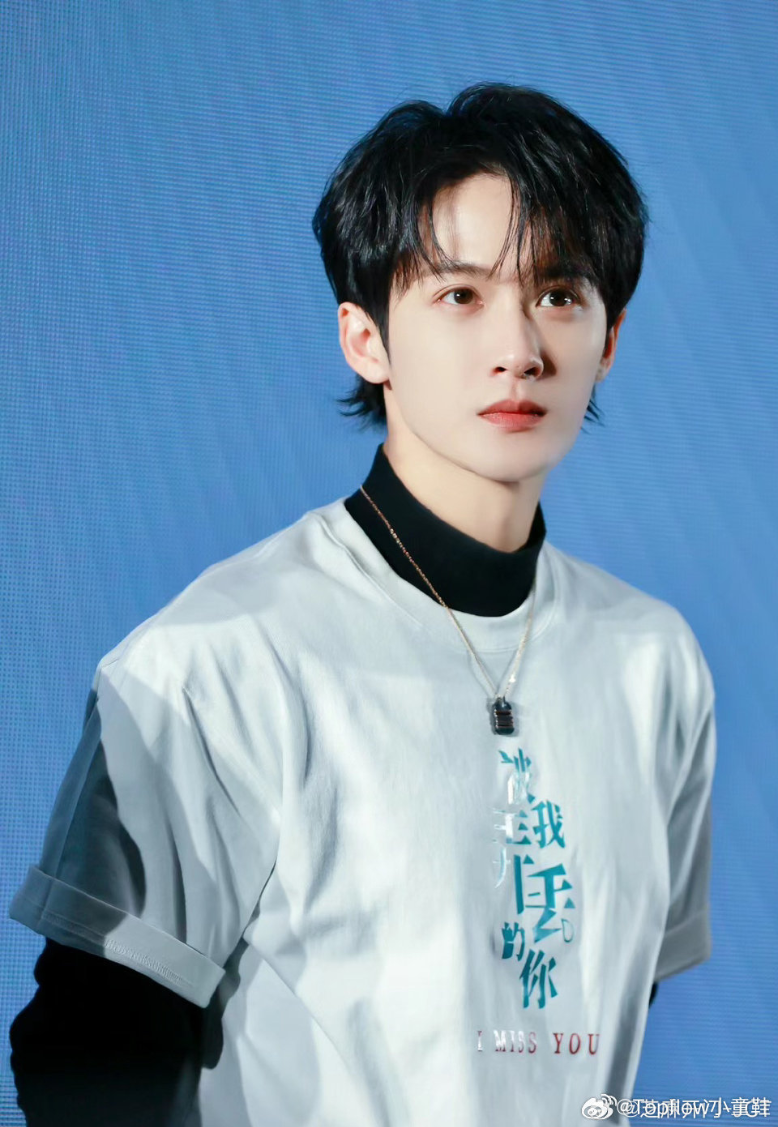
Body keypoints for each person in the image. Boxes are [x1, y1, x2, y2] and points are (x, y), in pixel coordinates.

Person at [8, 82, 716, 1127]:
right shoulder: (215, 664)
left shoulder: (655, 662)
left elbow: (592, 1026)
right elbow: (81, 1064)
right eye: (461, 295)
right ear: (365, 338)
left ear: (608, 340)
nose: (519, 347)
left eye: (560, 293)